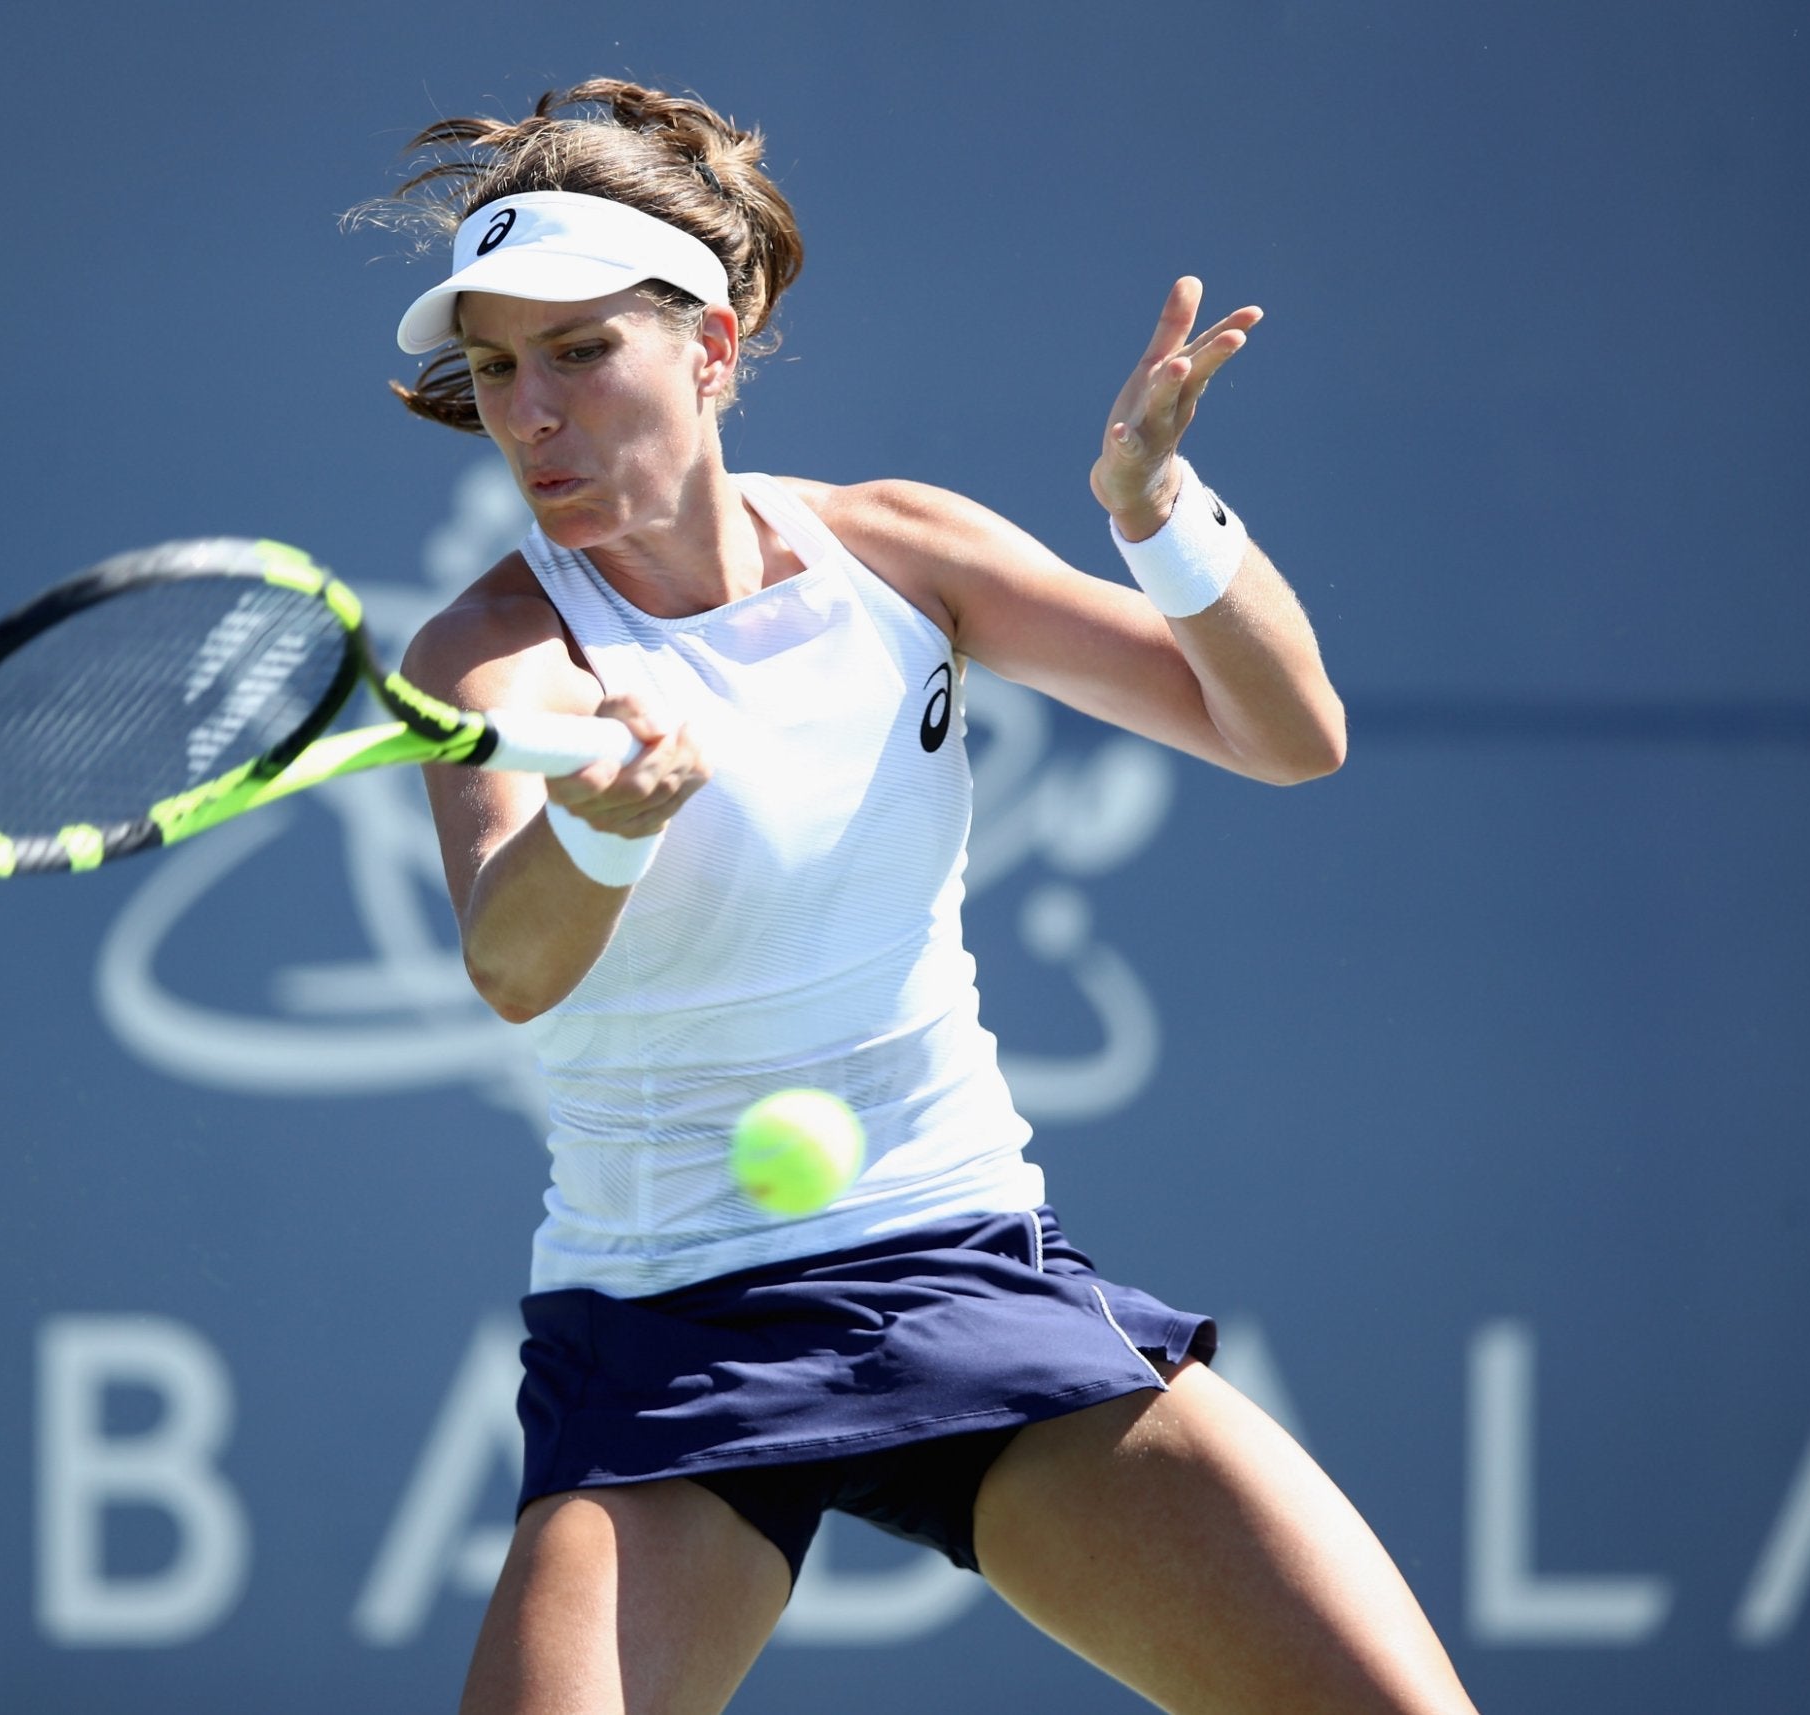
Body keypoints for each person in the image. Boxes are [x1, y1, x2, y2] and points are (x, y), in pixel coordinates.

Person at [370, 79, 1479, 1715]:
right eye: (496, 367)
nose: (530, 413)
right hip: (665, 1330)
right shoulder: (488, 654)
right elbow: (513, 966)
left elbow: (1286, 732)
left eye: (581, 352)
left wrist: (1153, 516)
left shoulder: (906, 554)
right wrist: (602, 830)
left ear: (714, 345)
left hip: (961, 1264)